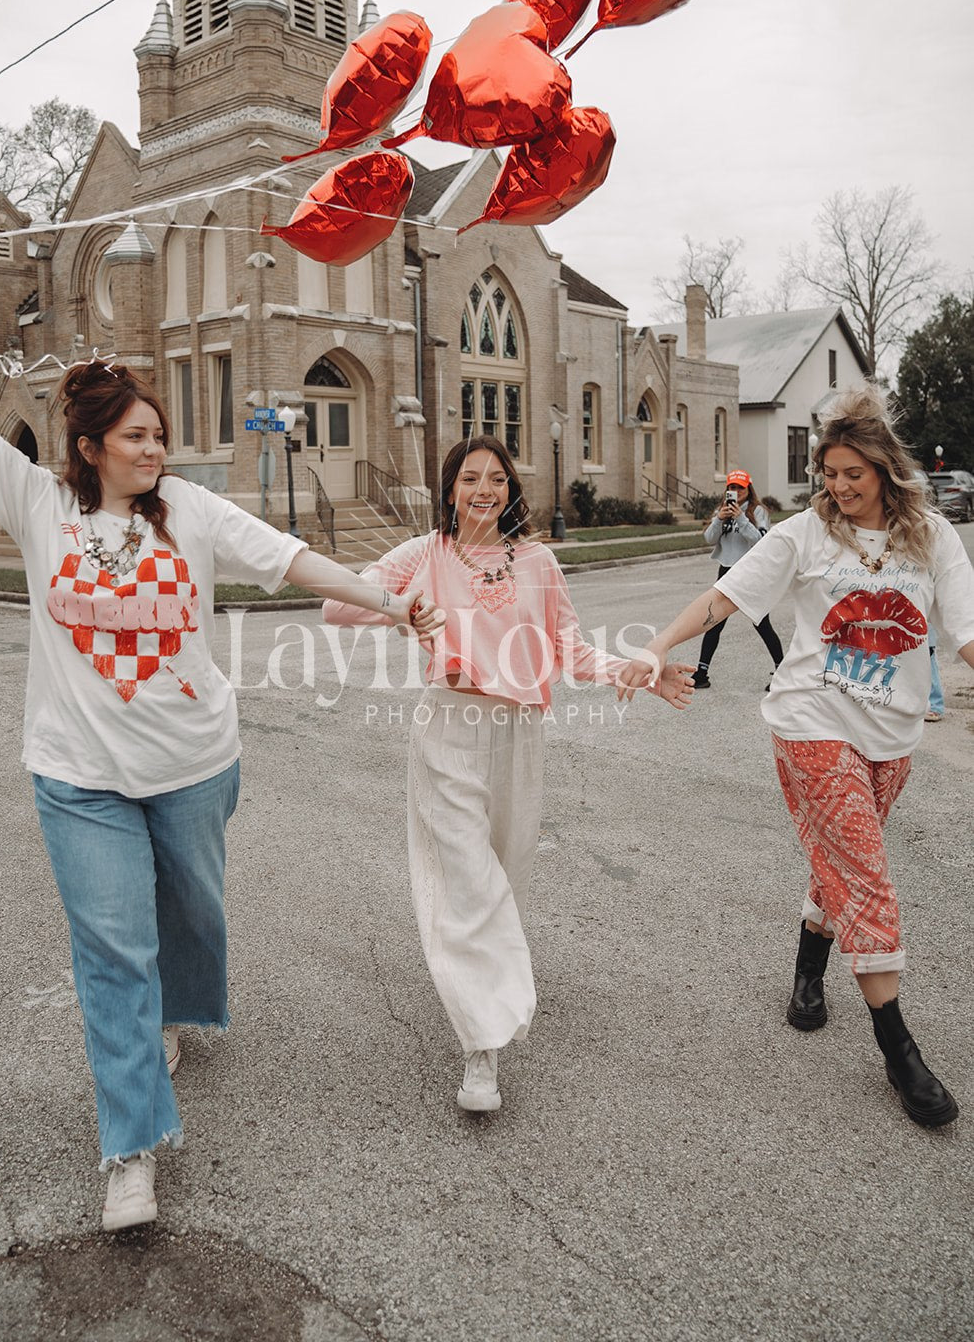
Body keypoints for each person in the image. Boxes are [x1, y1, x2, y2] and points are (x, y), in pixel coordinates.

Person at [0, 302, 442, 1231]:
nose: (156, 449)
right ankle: (131, 1147)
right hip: (78, 776)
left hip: (195, 762)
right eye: (138, 436)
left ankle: (173, 1012)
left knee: (190, 907)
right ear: (90, 445)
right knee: (114, 950)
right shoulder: (37, 503)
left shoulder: (190, 509)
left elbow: (294, 560)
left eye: (159, 434)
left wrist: (389, 601)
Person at [626, 385, 974, 1128]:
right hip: (809, 722)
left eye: (853, 473)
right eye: (830, 473)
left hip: (892, 737)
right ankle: (899, 1052)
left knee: (840, 861)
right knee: (866, 875)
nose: (839, 487)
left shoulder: (932, 538)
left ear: (883, 468)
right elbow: (723, 600)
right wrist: (654, 647)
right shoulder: (802, 535)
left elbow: (967, 628)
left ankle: (807, 970)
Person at [323, 435, 694, 1113]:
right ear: (449, 490)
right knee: (468, 881)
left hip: (518, 735)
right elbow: (335, 606)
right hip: (448, 731)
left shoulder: (538, 562)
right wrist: (399, 606)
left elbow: (567, 648)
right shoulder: (424, 555)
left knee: (503, 876)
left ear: (511, 491)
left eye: (495, 478)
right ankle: (480, 1050)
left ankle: (484, 984)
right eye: (469, 479)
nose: (483, 490)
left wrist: (635, 673)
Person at [692, 469, 784, 691]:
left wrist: (741, 519)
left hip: (750, 573)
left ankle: (783, 672)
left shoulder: (759, 511)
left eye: (740, 488)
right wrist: (718, 519)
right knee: (713, 622)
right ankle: (701, 673)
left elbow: (760, 541)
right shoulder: (722, 510)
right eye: (731, 488)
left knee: (761, 623)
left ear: (748, 489)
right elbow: (708, 539)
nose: (735, 492)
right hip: (727, 571)